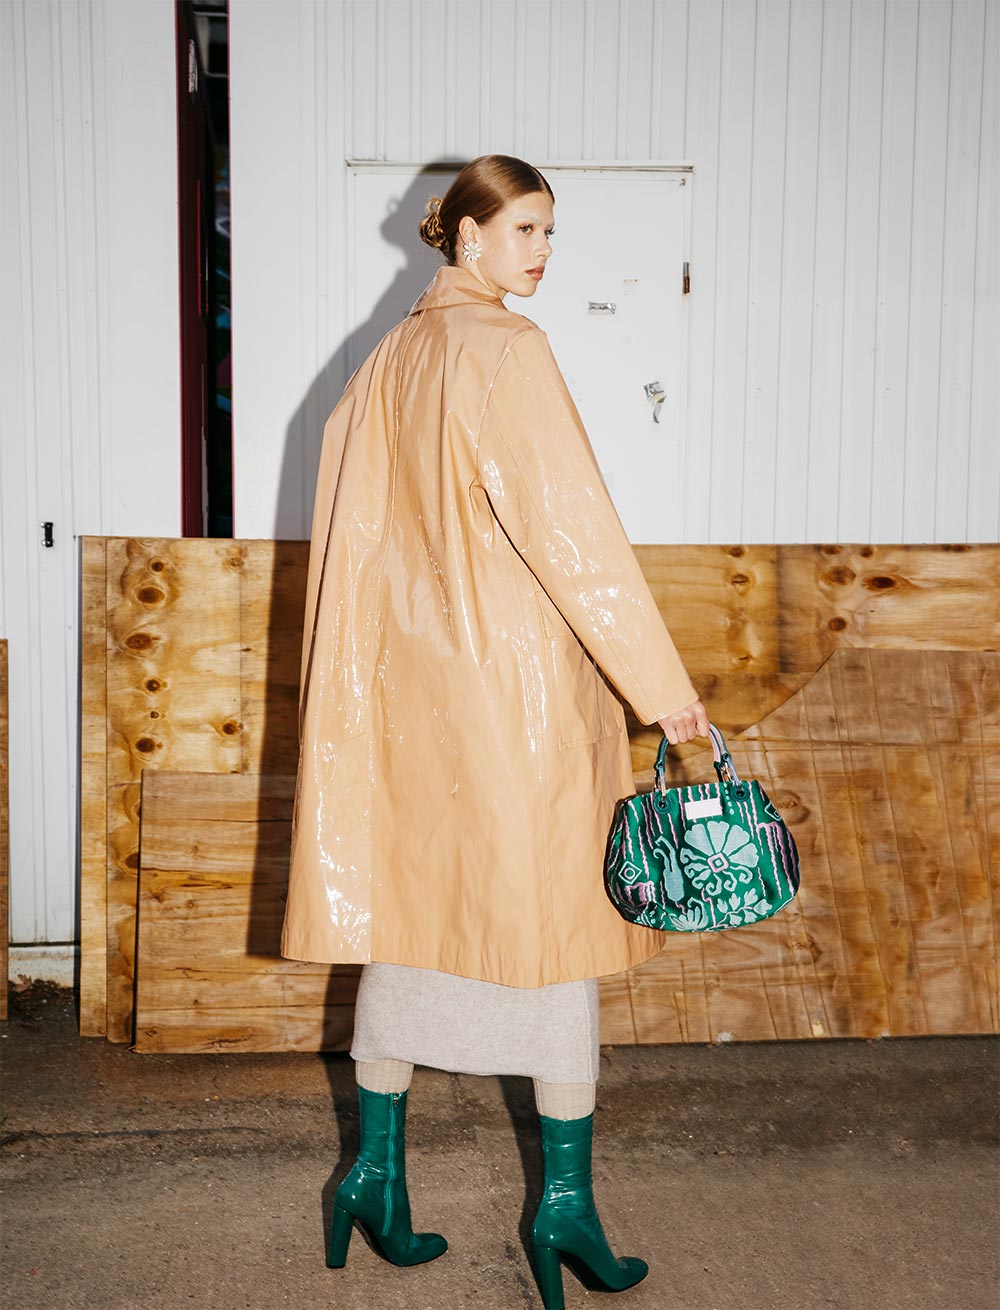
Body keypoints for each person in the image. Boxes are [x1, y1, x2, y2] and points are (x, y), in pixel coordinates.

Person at [280, 154, 709, 1309]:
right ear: (466, 235)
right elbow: (575, 535)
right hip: (511, 694)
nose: (543, 251)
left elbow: (353, 539)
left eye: (550, 231)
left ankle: (373, 1174)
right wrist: (661, 686)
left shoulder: (387, 359)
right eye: (525, 227)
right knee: (554, 939)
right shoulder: (506, 350)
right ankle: (563, 1207)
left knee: (409, 920)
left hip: (407, 699)